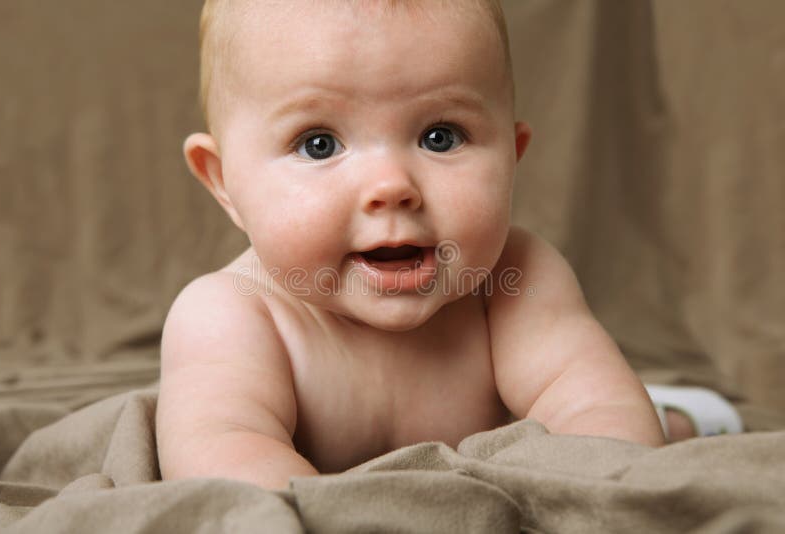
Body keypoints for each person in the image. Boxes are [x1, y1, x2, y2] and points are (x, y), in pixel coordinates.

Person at [155, 0, 737, 491]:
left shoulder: (513, 280)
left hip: (520, 466)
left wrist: (615, 450)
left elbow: (600, 422)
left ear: (512, 157)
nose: (391, 187)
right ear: (224, 182)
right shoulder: (229, 314)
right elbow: (222, 458)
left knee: (647, 423)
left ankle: (683, 416)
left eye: (440, 136)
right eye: (318, 144)